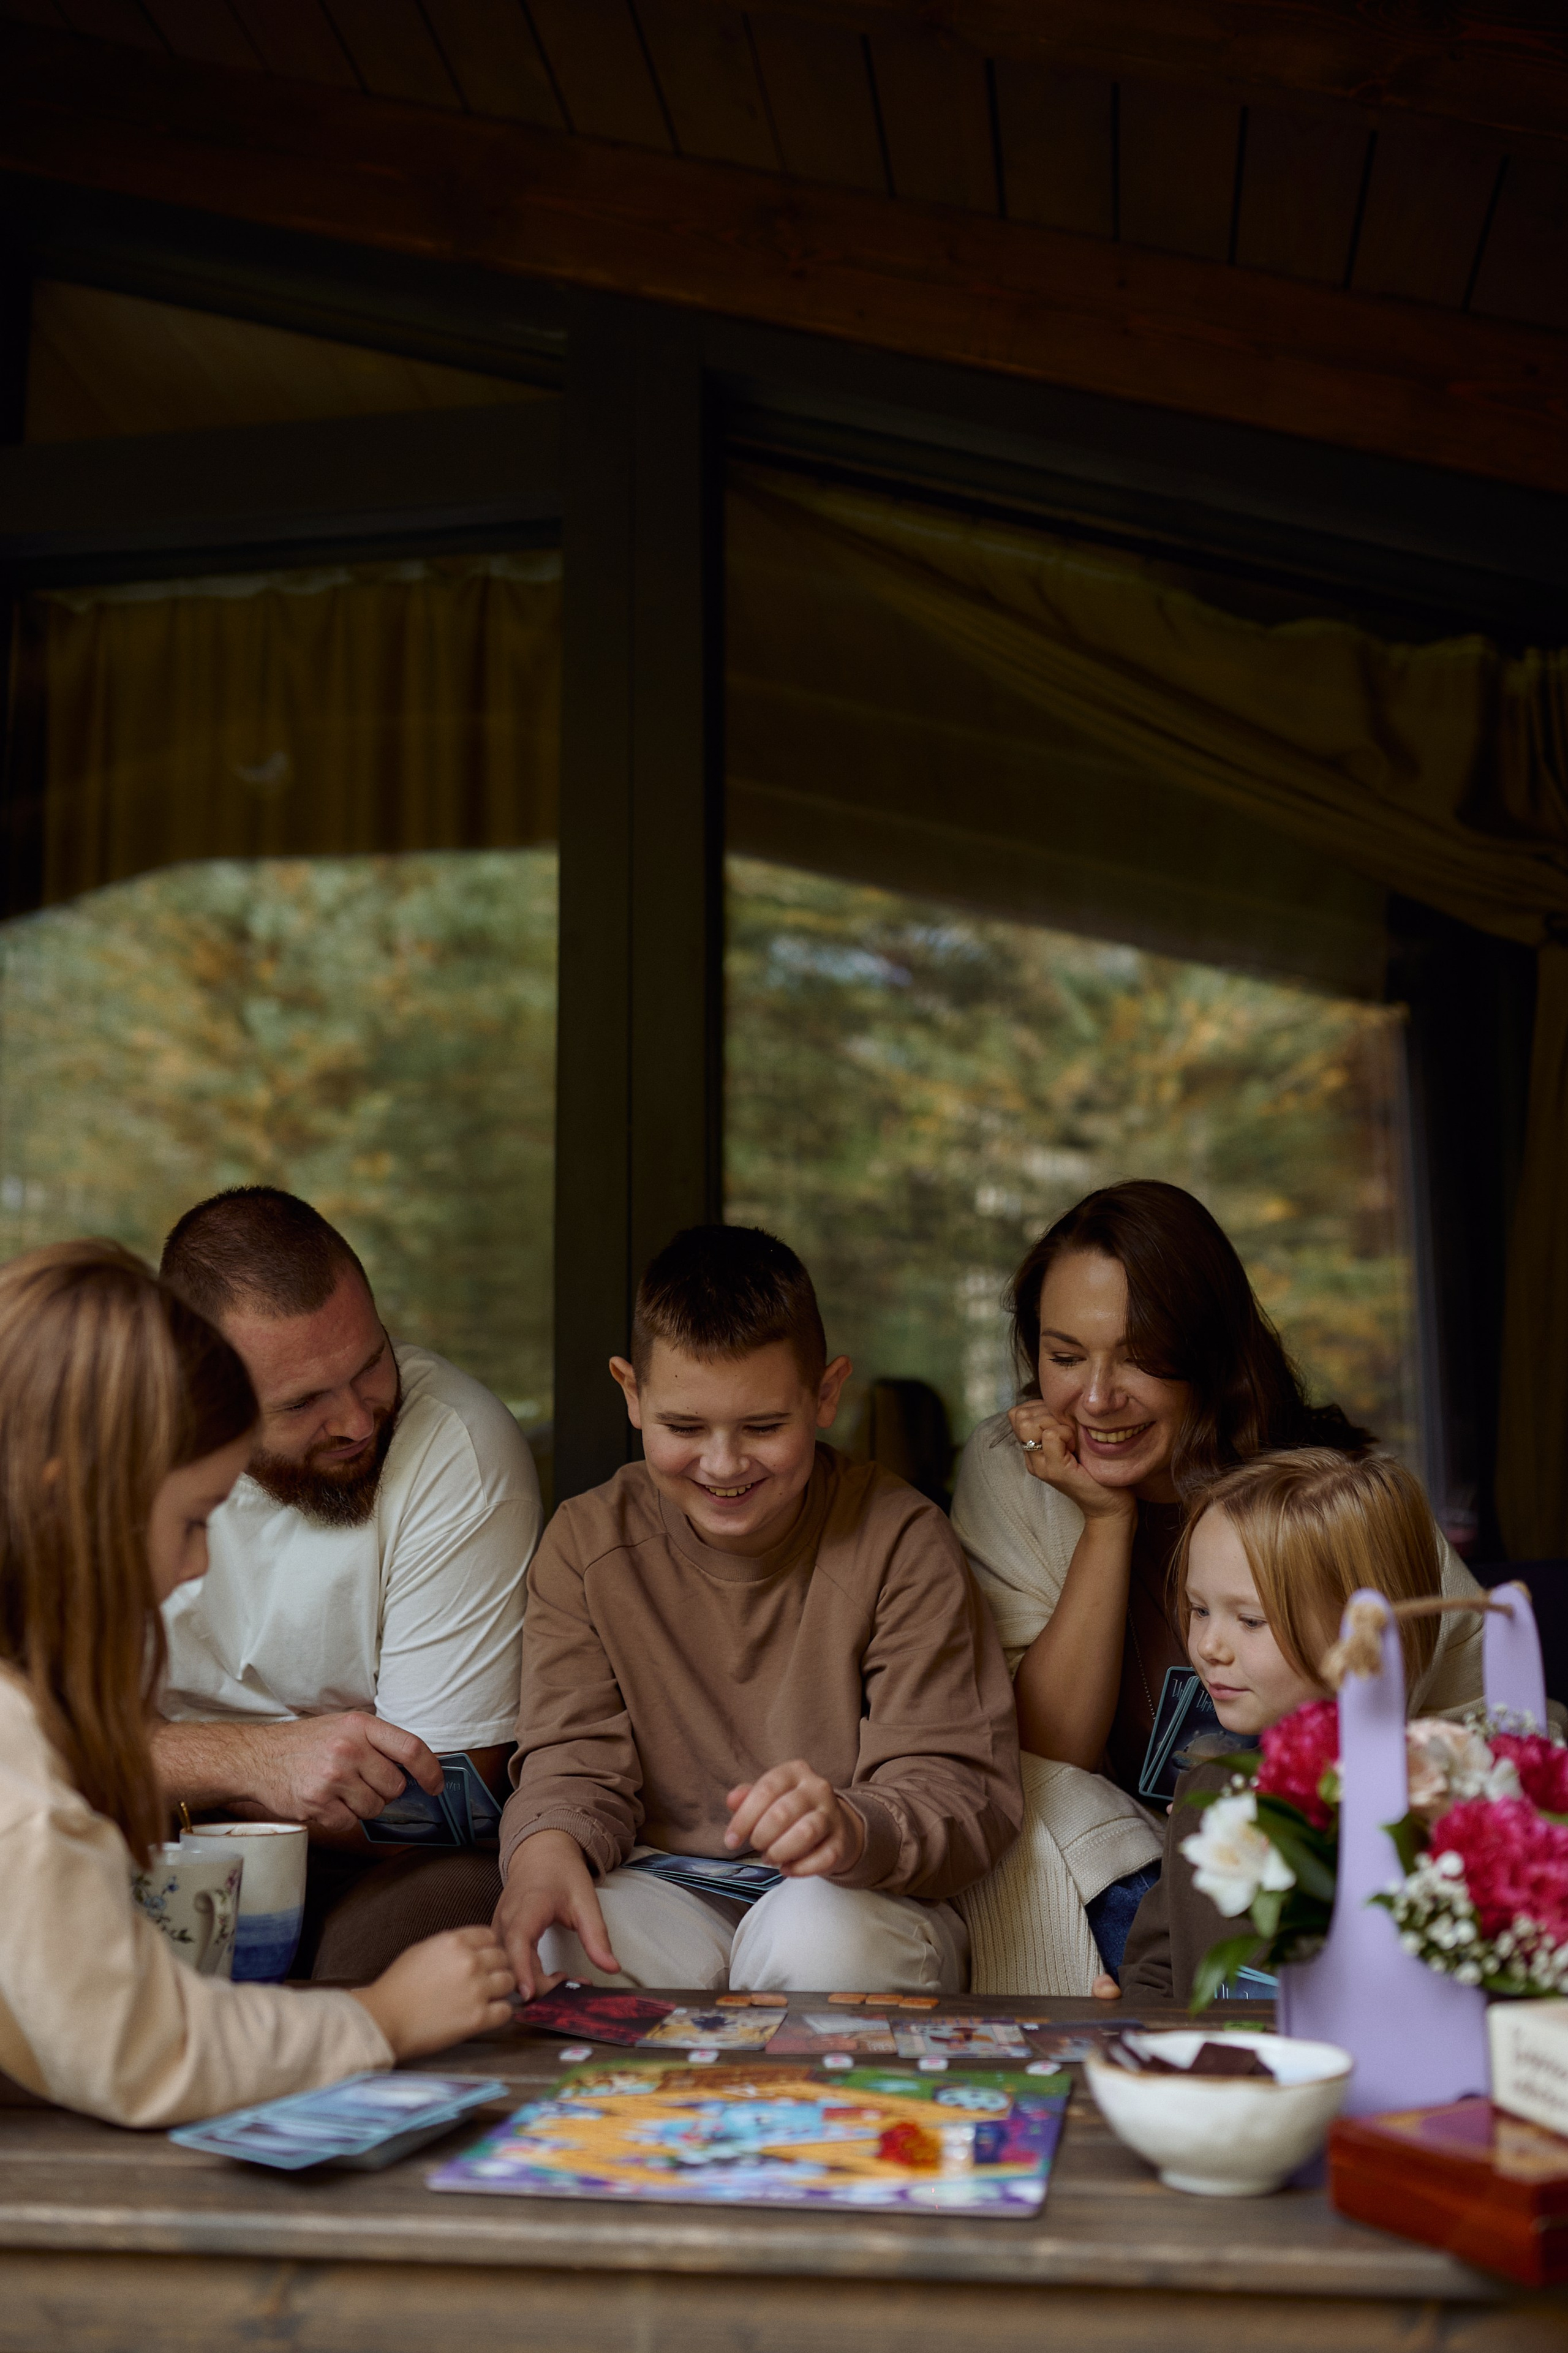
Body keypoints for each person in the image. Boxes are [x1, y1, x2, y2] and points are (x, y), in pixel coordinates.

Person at [0, 1241, 514, 2126]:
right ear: (69, 1499)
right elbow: (145, 2052)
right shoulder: (28, 1794)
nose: (198, 1564)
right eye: (192, 1521)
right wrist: (381, 2017)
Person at [950, 1180, 1482, 1996]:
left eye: (1139, 1355)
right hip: (1118, 1879)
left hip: (1313, 1886)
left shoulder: (1326, 1494)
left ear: (1210, 1353)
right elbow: (1047, 1754)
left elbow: (1479, 1719)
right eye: (1064, 1357)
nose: (1095, 1397)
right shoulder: (1015, 1469)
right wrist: (1105, 1521)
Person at [494, 1224, 1022, 1997]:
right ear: (632, 1394)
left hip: (852, 1890)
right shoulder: (585, 1541)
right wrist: (544, 1850)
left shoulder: (901, 1539)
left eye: (764, 1427)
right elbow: (570, 1761)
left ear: (827, 1393)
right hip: (663, 1885)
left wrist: (852, 1826)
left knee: (816, 1939)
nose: (723, 1463)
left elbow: (957, 1786)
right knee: (556, 1944)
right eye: (683, 1427)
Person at [154, 1188, 541, 1977]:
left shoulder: (455, 1442)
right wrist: (252, 1762)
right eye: (303, 1402)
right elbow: (29, 1741)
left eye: (370, 1363)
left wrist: (144, 1751)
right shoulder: (99, 1447)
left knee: (436, 1922)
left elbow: (440, 1799)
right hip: (138, 1827)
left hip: (376, 1865)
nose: (359, 1421)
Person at [1118, 1448, 1456, 2006]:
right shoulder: (1204, 1794)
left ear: (1364, 1633)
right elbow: (1156, 1970)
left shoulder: (1431, 1808)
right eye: (1199, 1609)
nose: (1208, 1646)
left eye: (1251, 1620)